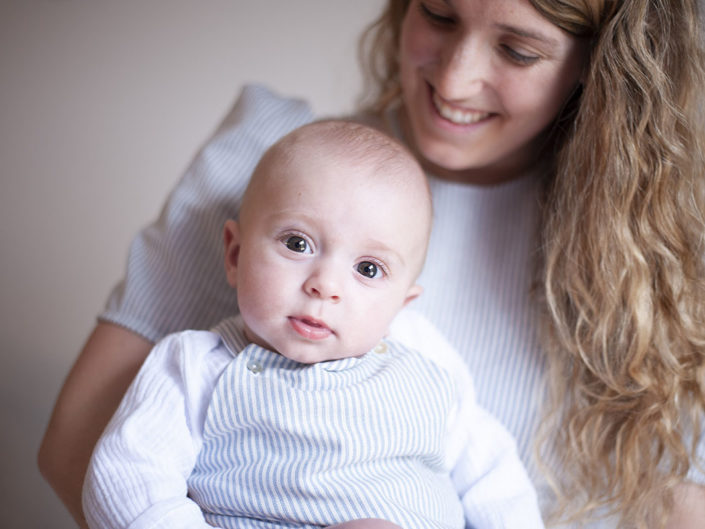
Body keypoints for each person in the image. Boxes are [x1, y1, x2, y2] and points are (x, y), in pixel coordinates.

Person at [39, 1, 705, 528]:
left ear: (596, 59)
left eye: (516, 49)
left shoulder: (654, 250)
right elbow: (85, 452)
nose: (452, 78)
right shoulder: (272, 166)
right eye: (438, 15)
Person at [81, 120, 544, 529]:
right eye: (298, 243)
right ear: (235, 255)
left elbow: (495, 480)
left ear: (402, 305)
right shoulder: (194, 366)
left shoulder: (427, 364)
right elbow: (127, 479)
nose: (325, 285)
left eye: (367, 269)